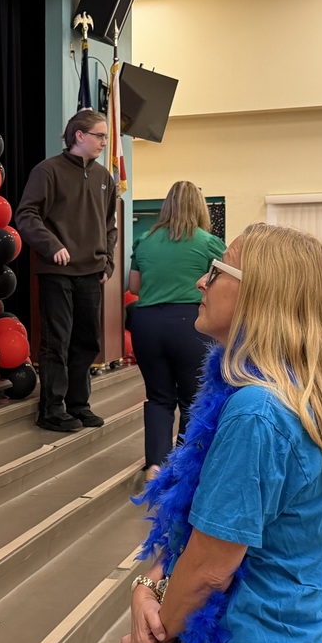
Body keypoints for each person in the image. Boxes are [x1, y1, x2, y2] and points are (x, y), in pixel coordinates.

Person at [116, 224, 322, 643]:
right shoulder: (282, 393)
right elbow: (195, 528)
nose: (200, 283)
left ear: (261, 293)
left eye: (216, 270)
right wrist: (148, 584)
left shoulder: (257, 411)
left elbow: (211, 566)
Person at [14, 109, 118, 432]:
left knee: (86, 342)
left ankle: (78, 405)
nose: (105, 141)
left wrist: (108, 262)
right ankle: (52, 409)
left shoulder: (105, 179)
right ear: (79, 136)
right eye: (100, 136)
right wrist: (52, 245)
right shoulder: (48, 172)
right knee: (57, 341)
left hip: (91, 273)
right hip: (57, 272)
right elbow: (27, 215)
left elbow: (110, 226)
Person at [128, 181, 225, 481]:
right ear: (199, 207)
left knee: (158, 397)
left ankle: (155, 465)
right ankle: (184, 466)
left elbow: (133, 287)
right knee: (192, 398)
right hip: (189, 323)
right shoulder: (209, 242)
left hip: (146, 323)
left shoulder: (144, 239)